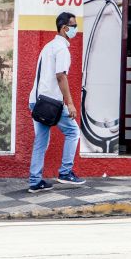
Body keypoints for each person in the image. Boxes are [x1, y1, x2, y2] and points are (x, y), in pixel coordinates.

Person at [27, 12, 85, 193]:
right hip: (51, 104)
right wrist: (70, 103)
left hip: (36, 102)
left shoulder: (48, 46)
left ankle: (35, 182)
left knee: (41, 141)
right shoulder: (61, 49)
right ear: (65, 28)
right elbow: (61, 76)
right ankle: (65, 172)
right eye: (73, 25)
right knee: (73, 131)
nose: (76, 29)